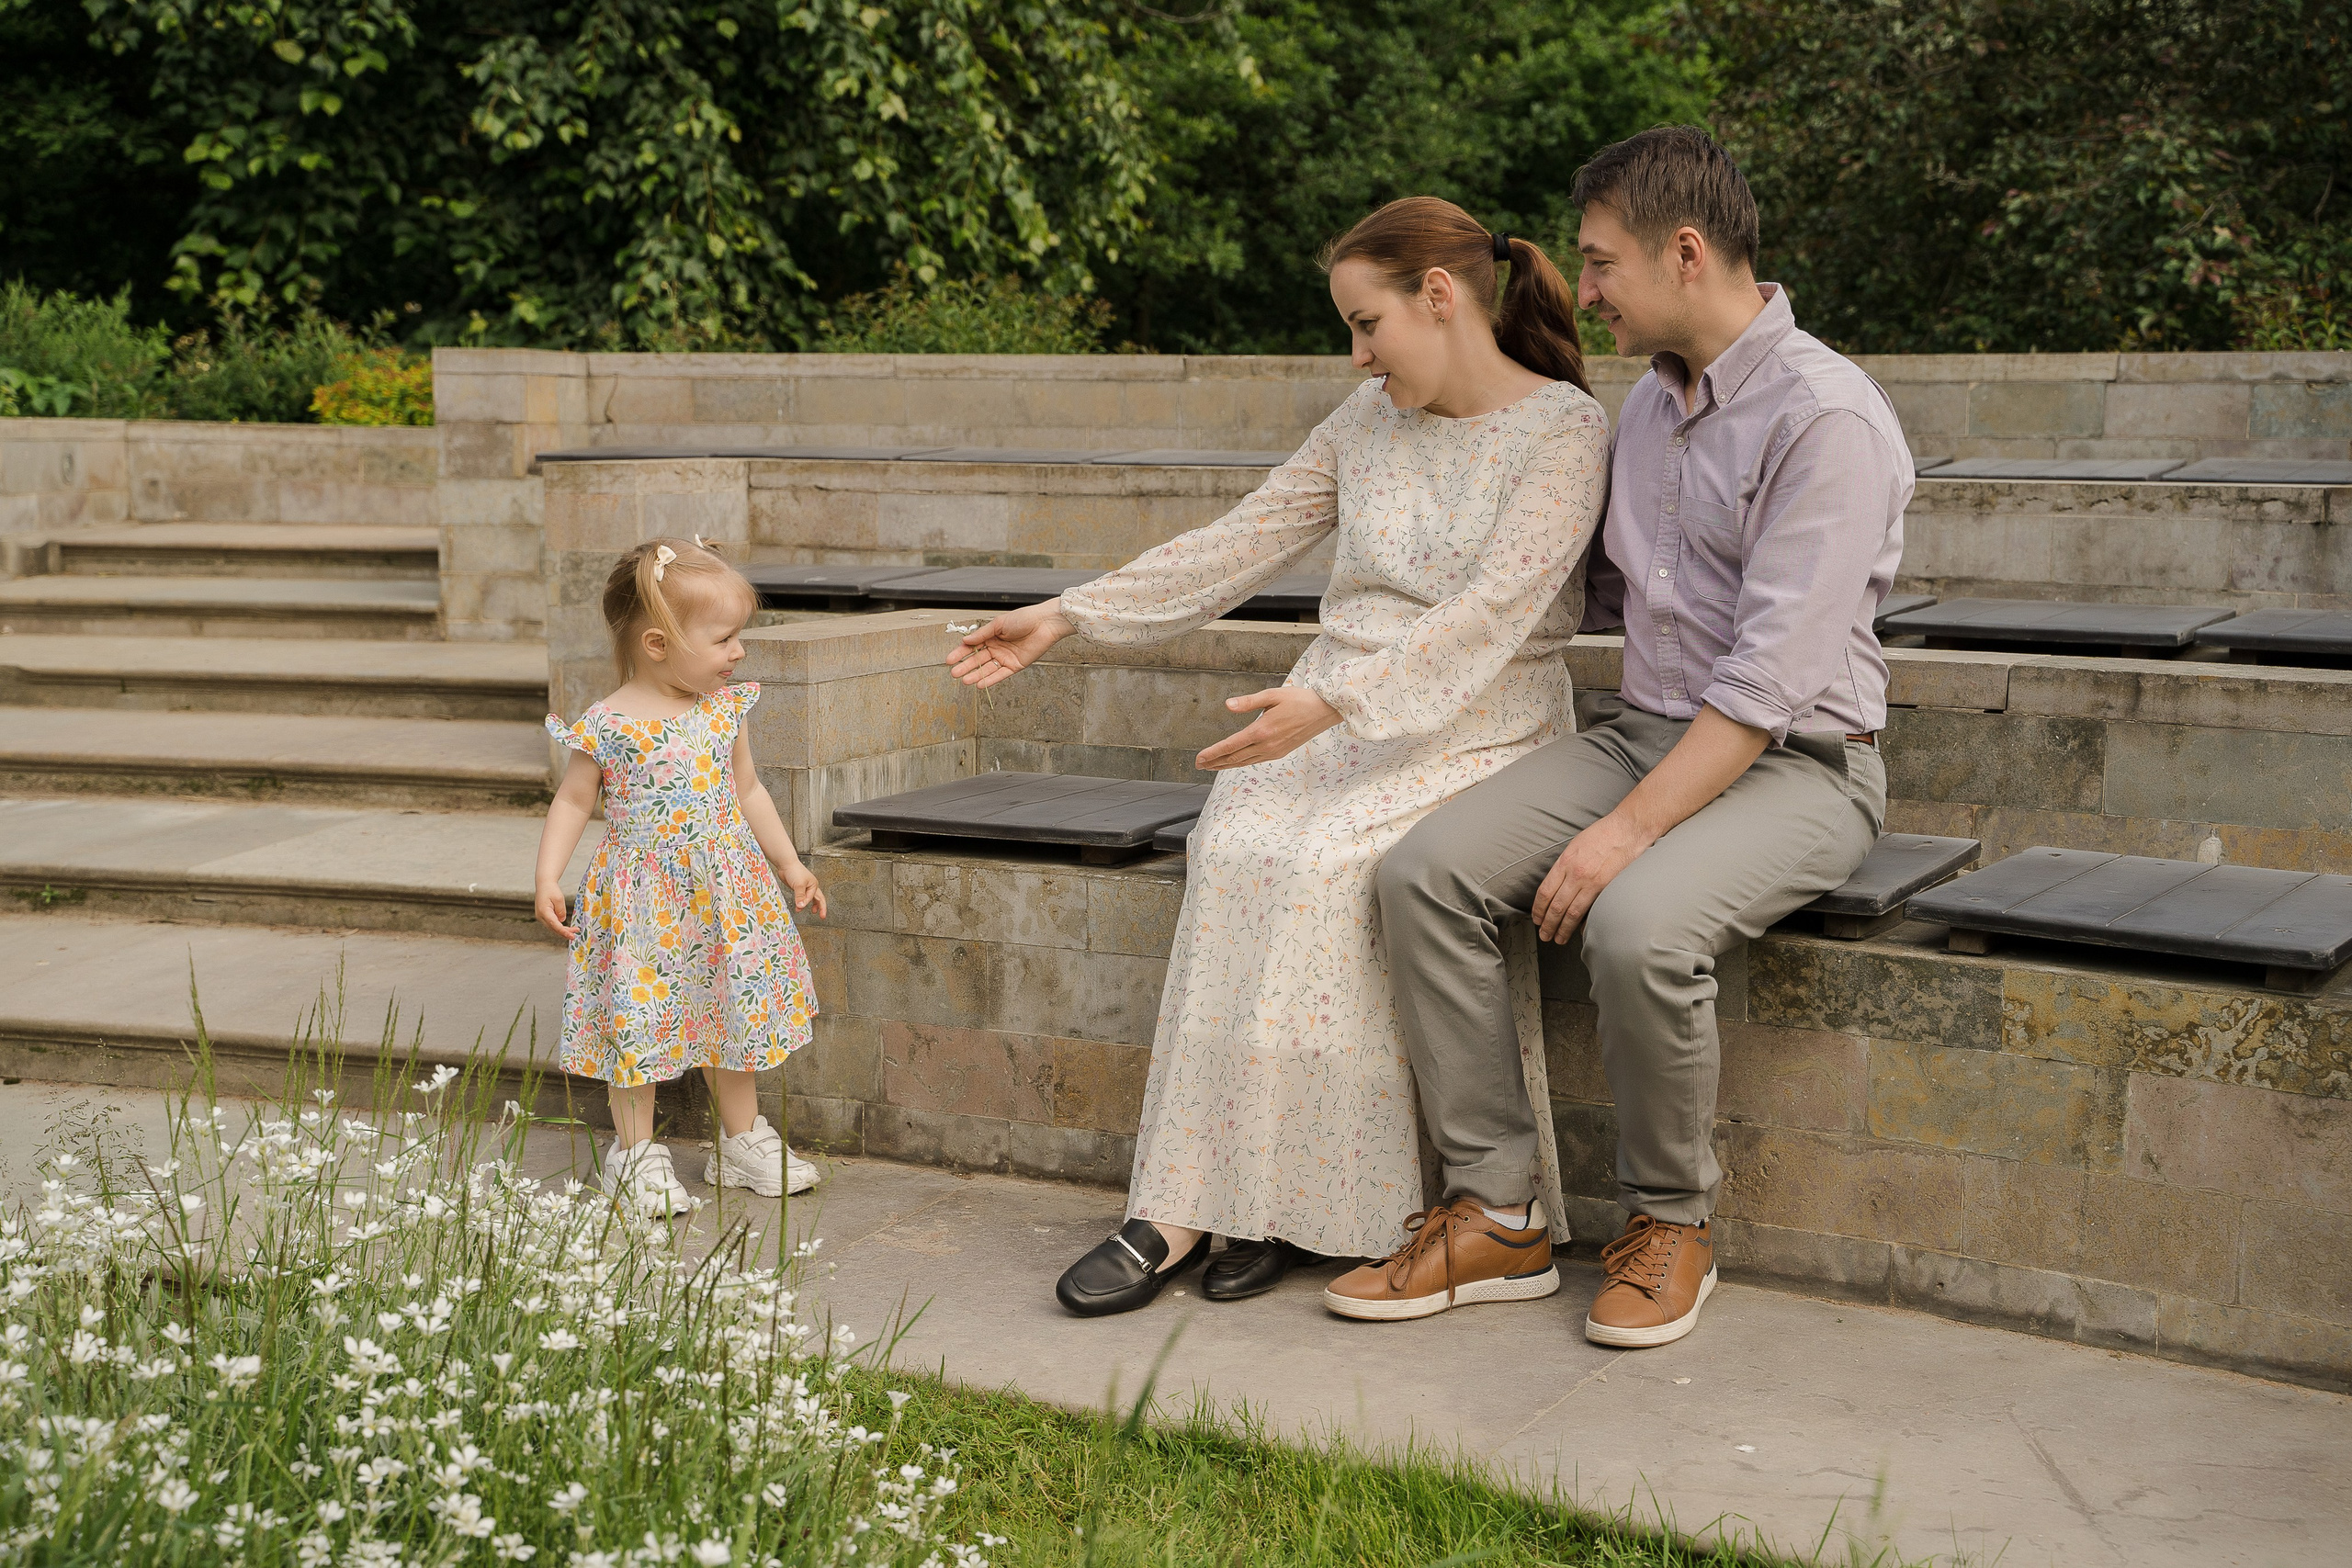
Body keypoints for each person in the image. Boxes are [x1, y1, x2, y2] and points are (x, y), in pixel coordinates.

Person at [946, 197, 1610, 1315]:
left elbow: (1495, 615)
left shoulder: (1566, 432)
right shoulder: (1363, 423)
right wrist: (1069, 615)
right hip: (1332, 705)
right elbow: (1245, 537)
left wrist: (1335, 702)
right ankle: (1191, 1204)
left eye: (1366, 324)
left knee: (1329, 870)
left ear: (1437, 298)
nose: (1357, 355)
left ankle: (1305, 1206)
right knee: (1243, 841)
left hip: (1480, 717)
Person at [1331, 127, 1910, 1347]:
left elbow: (1766, 687)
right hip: (1643, 730)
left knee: (1640, 921)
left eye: (1599, 263)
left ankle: (1671, 1222)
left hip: (1802, 764)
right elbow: (1581, 597)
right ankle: (1495, 1208)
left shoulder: (1827, 421)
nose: (1581, 288)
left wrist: (1619, 839)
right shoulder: (1643, 412)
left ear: (1684, 253)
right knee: (1422, 873)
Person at [534, 536, 831, 1215]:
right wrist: (551, 874)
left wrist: (789, 863)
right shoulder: (608, 724)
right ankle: (633, 1155)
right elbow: (575, 800)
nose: (739, 651)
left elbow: (748, 789)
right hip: (640, 905)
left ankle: (741, 1139)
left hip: (725, 894)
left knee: (730, 1013)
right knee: (636, 1024)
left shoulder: (724, 711)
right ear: (659, 643)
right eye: (725, 638)